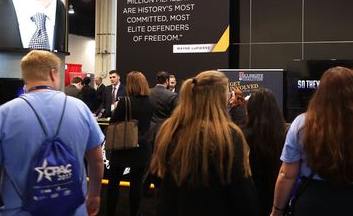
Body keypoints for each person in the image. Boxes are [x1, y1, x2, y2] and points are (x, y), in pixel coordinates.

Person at [0, 50, 104, 216]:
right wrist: (94, 195)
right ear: (53, 74)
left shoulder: (1, 116)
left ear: (25, 76)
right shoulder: (81, 109)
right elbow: (96, 161)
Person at [271, 67, 353, 216]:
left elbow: (287, 174)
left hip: (314, 204)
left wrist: (277, 211)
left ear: (321, 93)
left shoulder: (301, 124)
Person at [151, 70, 259, 216]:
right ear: (219, 97)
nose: (229, 97)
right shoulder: (229, 135)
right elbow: (242, 192)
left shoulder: (170, 130)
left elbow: (158, 178)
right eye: (227, 93)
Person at [105, 71, 155, 216]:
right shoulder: (150, 102)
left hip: (122, 146)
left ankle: (110, 212)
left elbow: (114, 122)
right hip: (142, 148)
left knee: (113, 184)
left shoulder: (125, 101)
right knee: (136, 184)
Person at [242, 88, 287, 216]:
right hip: (278, 197)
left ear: (250, 110)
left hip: (251, 197)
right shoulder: (285, 135)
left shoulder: (242, 136)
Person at [149, 70, 179, 140]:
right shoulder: (172, 95)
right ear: (166, 81)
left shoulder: (148, 92)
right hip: (165, 131)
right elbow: (176, 115)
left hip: (150, 132)